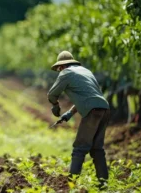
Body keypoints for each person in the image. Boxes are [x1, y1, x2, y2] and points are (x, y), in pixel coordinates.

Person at [47, 51, 110, 188]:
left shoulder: (66, 73)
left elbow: (52, 94)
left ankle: (71, 184)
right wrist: (68, 114)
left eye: (59, 69)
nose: (59, 71)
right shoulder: (86, 72)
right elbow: (91, 96)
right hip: (104, 108)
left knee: (79, 148)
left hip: (92, 111)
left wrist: (55, 106)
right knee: (97, 149)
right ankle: (104, 184)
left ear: (62, 66)